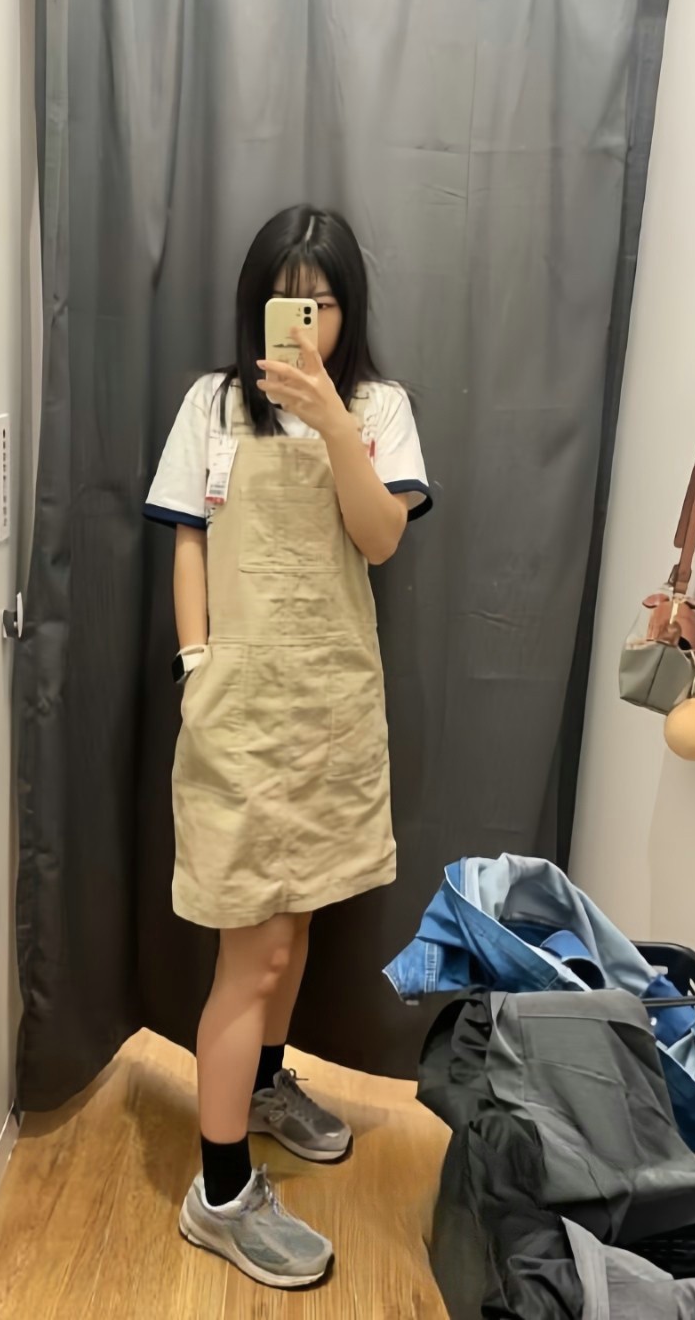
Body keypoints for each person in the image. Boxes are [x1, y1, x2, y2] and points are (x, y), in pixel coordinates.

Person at [145, 206, 432, 1289]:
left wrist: (331, 424)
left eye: (322, 302)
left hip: (329, 713)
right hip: (238, 715)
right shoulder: (211, 405)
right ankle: (218, 1194)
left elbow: (380, 537)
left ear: (348, 311)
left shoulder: (379, 409)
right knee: (250, 954)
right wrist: (195, 665)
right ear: (255, 303)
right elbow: (187, 537)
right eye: (285, 300)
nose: (304, 321)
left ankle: (262, 1087)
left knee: (298, 922)